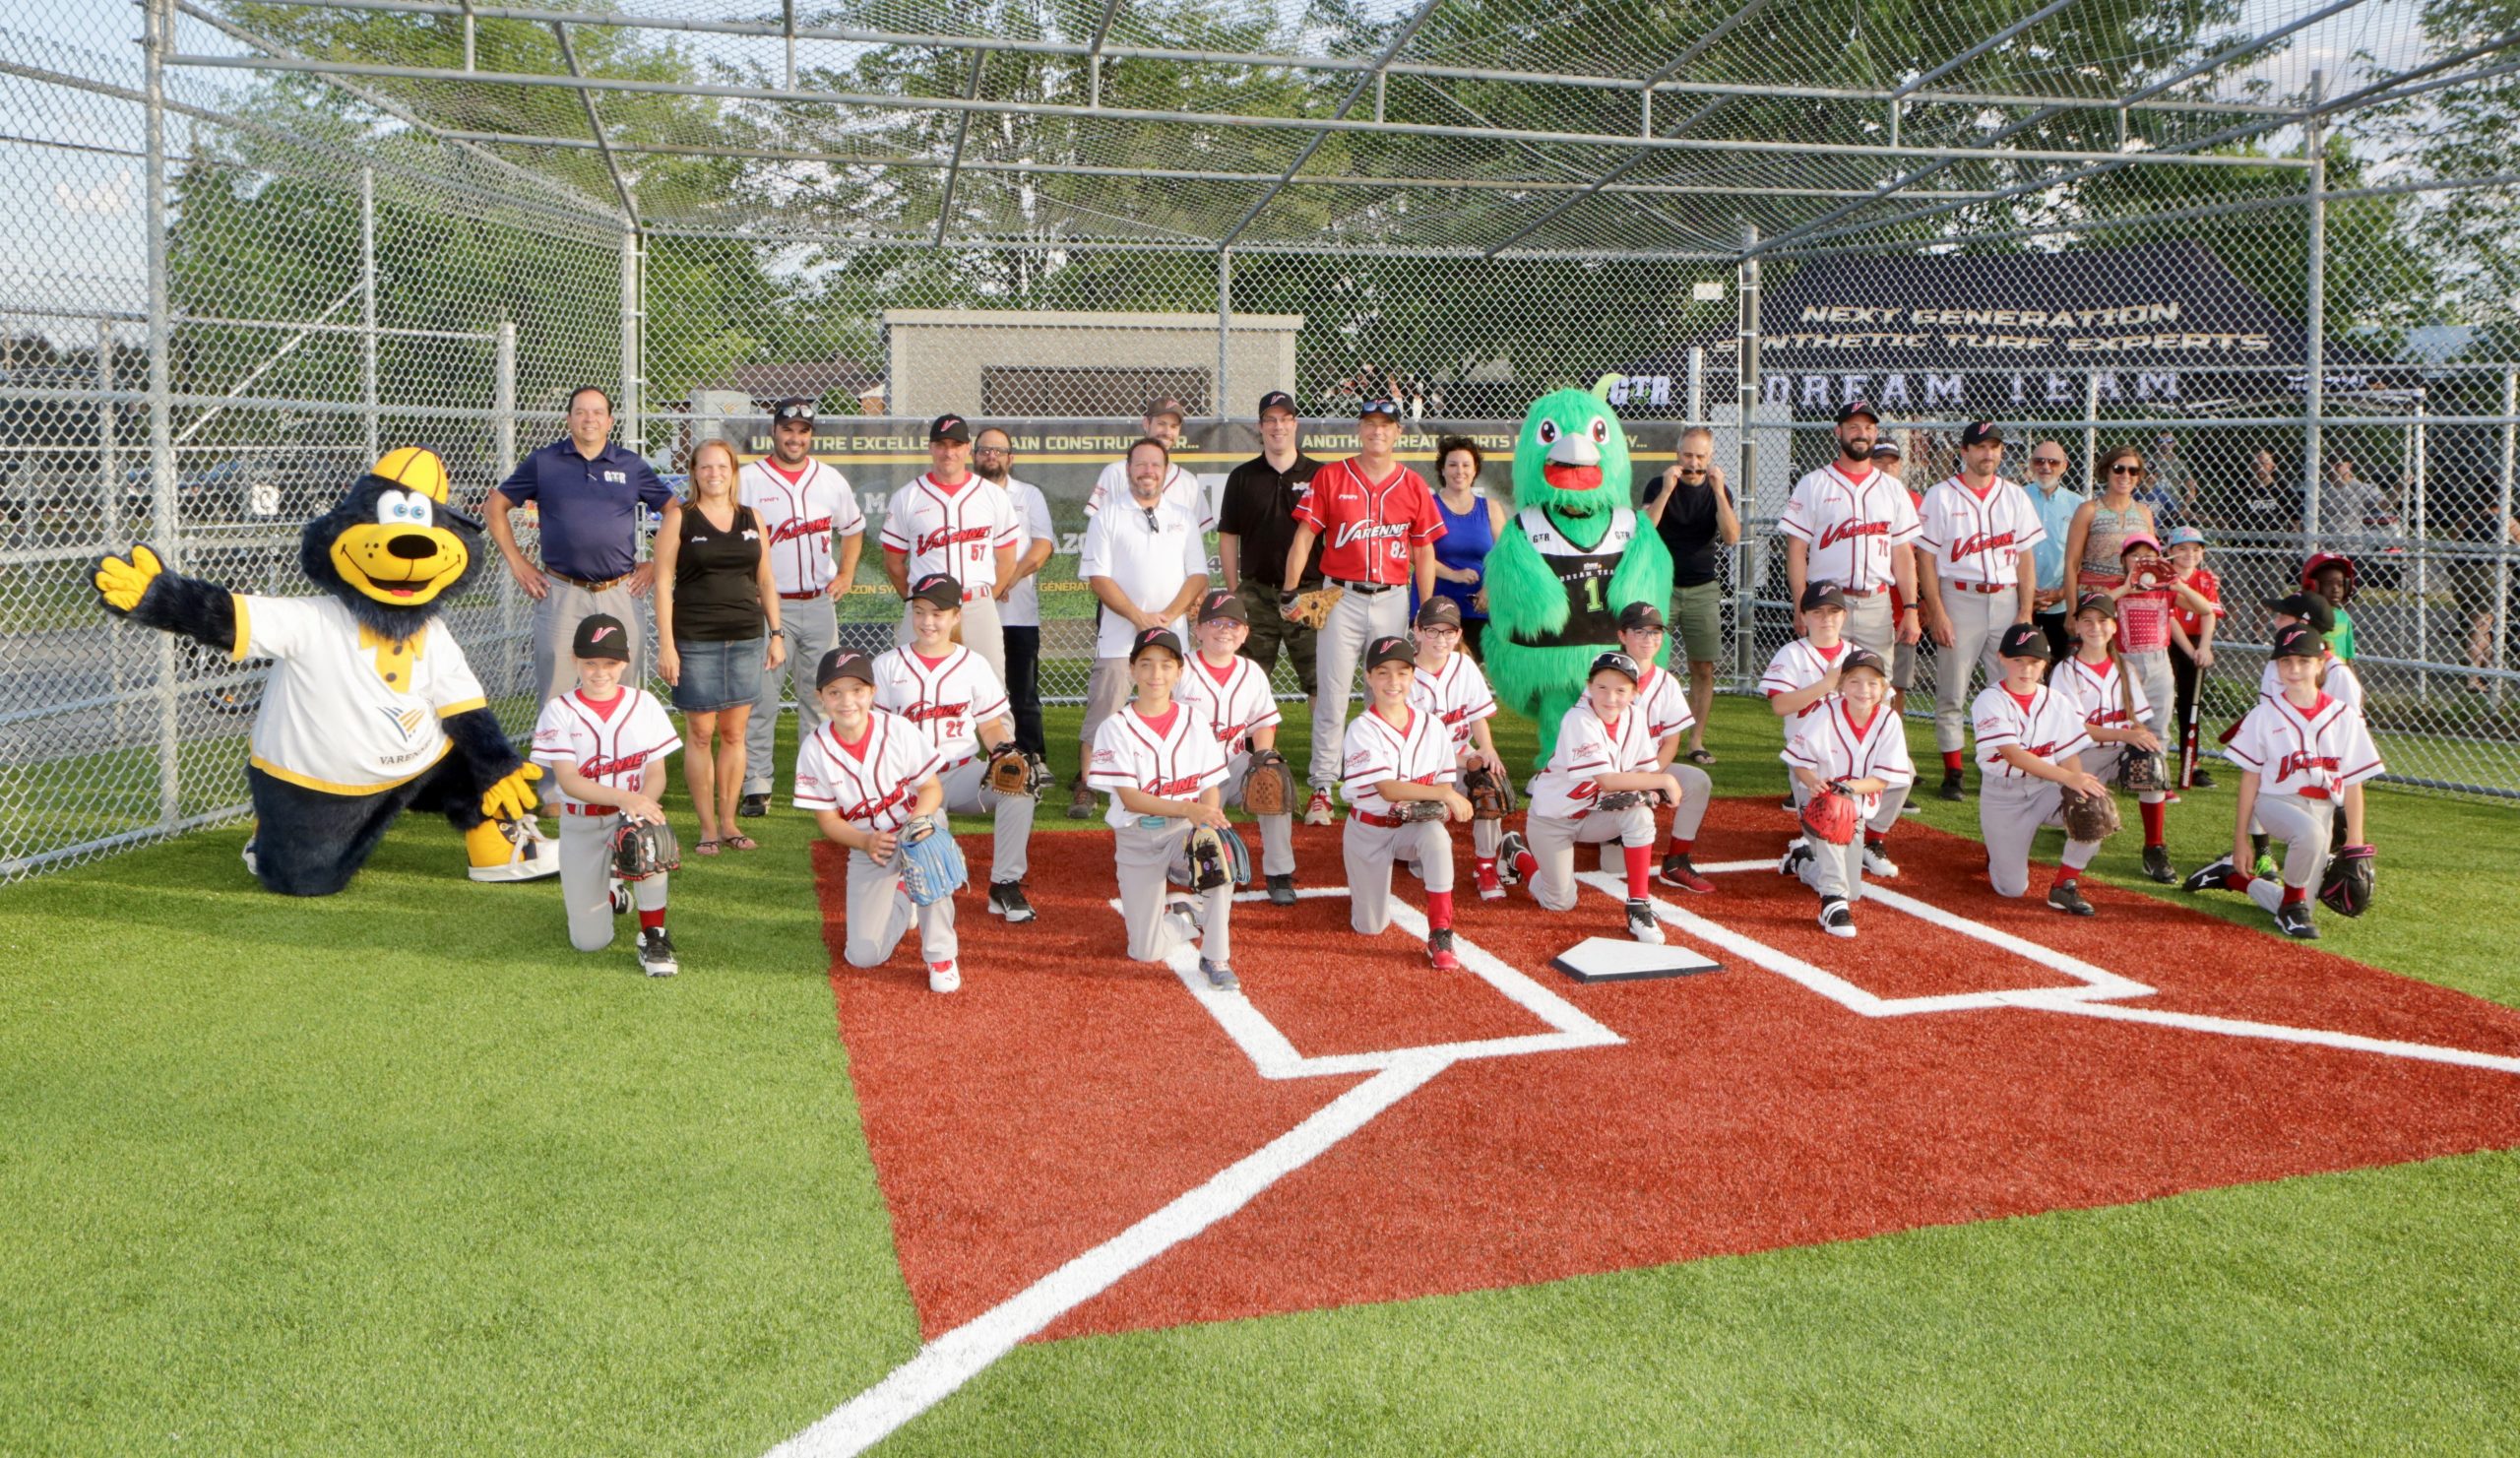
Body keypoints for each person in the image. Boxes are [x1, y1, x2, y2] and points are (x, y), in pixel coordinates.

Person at [1283, 395, 1444, 825]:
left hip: (1393, 596)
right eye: (1370, 423)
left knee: (1388, 695)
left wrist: (1424, 607)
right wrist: (1290, 590)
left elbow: (1424, 550)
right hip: (1341, 596)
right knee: (1332, 695)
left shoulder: (1412, 485)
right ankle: (1321, 786)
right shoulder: (1333, 476)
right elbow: (1303, 538)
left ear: (1398, 433)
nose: (1377, 431)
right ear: (1359, 429)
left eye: (1386, 424)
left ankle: (1381, 783)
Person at [2185, 623, 2383, 940]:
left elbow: (2354, 782)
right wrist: (2241, 840)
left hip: (2323, 807)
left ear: (2320, 664)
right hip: (2276, 801)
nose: (2294, 669)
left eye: (2304, 661)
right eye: (2285, 662)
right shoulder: (2264, 715)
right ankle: (2291, 912)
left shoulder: (2343, 716)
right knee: (2310, 837)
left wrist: (2354, 842)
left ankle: (2232, 878)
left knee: (2301, 897)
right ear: (2276, 666)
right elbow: (2250, 781)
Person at [485, 385, 677, 701]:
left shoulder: (630, 465)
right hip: (562, 592)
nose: (590, 419)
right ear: (569, 419)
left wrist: (657, 565)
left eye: (598, 412)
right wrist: (518, 564)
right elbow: (495, 507)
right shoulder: (544, 462)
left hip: (621, 591)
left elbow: (674, 512)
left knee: (622, 693)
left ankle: (618, 752)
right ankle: (557, 752)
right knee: (555, 695)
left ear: (610, 421)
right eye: (581, 412)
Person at [871, 573, 1040, 923]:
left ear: (955, 617)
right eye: (920, 612)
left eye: (937, 613)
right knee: (931, 826)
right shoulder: (888, 665)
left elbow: (990, 724)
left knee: (1019, 788)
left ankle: (1004, 883)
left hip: (962, 773)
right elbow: (878, 733)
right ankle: (912, 884)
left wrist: (1003, 752)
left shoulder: (973, 664)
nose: (927, 621)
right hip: (910, 783)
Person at [791, 647, 960, 992]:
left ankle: (941, 956)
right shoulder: (814, 749)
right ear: (820, 697)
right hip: (869, 845)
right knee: (863, 955)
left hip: (915, 824)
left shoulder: (896, 729)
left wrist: (917, 823)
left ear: (872, 693)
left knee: (928, 854)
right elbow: (828, 821)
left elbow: (931, 788)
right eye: (835, 692)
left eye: (857, 690)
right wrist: (864, 842)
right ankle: (904, 894)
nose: (846, 701)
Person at [529, 613, 682, 976]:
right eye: (590, 663)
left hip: (628, 815)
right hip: (581, 822)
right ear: (574, 661)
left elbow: (655, 773)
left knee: (650, 835)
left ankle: (653, 934)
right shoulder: (559, 711)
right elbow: (568, 781)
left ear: (625, 661)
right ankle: (613, 892)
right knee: (589, 942)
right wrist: (626, 799)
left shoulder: (643, 704)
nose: (600, 672)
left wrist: (640, 807)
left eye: (610, 663)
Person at [1087, 627, 1237, 990]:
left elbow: (1209, 786)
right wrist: (1191, 811)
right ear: (1133, 670)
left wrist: (1205, 824)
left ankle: (1215, 955)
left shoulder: (1194, 721)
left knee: (1215, 856)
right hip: (1137, 837)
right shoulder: (1115, 727)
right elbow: (1131, 799)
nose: (1156, 675)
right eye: (1147, 664)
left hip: (1181, 835)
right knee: (1145, 950)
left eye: (1166, 666)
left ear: (1179, 672)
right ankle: (1185, 920)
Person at [653, 438, 782, 855]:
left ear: (733, 472)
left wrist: (775, 633)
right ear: (694, 473)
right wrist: (667, 646)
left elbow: (765, 580)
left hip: (745, 636)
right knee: (700, 732)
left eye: (721, 467)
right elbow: (661, 583)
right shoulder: (680, 519)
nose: (714, 474)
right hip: (694, 638)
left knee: (734, 733)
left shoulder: (752, 517)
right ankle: (707, 826)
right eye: (705, 467)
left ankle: (729, 822)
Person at [735, 397, 862, 818]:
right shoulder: (748, 479)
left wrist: (845, 574)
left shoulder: (829, 480)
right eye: (788, 429)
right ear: (774, 431)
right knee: (763, 698)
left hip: (818, 601)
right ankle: (757, 782)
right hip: (771, 606)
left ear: (811, 436)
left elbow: (854, 529)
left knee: (822, 697)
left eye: (803, 431)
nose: (794, 437)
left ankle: (818, 780)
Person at [1071, 438, 1210, 818]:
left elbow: (1198, 574)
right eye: (1140, 464)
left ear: (1166, 471)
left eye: (1155, 465)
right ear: (1128, 469)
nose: (1148, 471)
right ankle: (1088, 785)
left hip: (1172, 636)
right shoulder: (1108, 515)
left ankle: (1175, 784)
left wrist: (1167, 615)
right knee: (1105, 710)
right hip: (1119, 635)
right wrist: (1137, 616)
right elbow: (1098, 576)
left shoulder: (1182, 516)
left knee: (1178, 713)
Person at [1503, 650, 1680, 945]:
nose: (1611, 698)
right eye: (1602, 687)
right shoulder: (1578, 718)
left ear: (1635, 693)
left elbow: (1642, 770)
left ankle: (1639, 906)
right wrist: (1663, 780)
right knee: (1558, 901)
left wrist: (1649, 791)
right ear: (1589, 686)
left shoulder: (1635, 717)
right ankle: (1515, 852)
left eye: (1621, 690)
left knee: (1640, 814)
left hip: (1593, 814)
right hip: (1553, 821)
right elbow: (1608, 780)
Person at [1914, 421, 2045, 802]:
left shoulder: (2015, 495)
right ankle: (1953, 771)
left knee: (2007, 688)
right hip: (1960, 596)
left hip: (2005, 599)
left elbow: (2025, 559)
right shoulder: (1940, 495)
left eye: (1994, 447)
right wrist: (1936, 611)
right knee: (1952, 690)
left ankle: (2002, 765)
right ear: (1965, 451)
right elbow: (1926, 558)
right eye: (1980, 447)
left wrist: (2025, 610)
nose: (1988, 454)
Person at [1340, 633, 1473, 969]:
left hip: (1412, 829)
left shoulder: (1432, 726)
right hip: (1368, 831)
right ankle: (1362, 894)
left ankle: (1441, 931)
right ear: (1368, 677)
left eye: (1402, 672)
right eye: (1383, 672)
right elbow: (1387, 789)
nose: (1393, 681)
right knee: (1370, 927)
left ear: (1413, 677)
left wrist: (1441, 800)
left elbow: (1444, 779)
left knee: (1437, 837)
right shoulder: (1362, 728)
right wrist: (1443, 795)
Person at [1969, 622, 2111, 916]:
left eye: (2034, 662)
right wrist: (2068, 777)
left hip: (2042, 790)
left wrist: (2077, 783)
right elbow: (2013, 755)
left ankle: (2064, 885)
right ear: (2001, 658)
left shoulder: (2056, 701)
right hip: (2002, 796)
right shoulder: (1989, 700)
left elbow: (2068, 752)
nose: (2026, 668)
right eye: (2017, 660)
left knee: (2094, 809)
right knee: (2011, 889)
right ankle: (1998, 851)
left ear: (2045, 664)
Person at [1777, 647, 1913, 937]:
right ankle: (1832, 905)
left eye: (1872, 682)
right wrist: (1813, 781)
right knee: (1833, 808)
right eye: (1854, 681)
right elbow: (1799, 762)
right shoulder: (1825, 712)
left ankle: (1802, 861)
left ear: (1884, 688)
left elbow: (1882, 780)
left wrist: (1846, 789)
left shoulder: (1889, 720)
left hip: (1857, 812)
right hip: (1820, 807)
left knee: (1853, 889)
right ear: (1841, 686)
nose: (1863, 689)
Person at [1175, 589, 1298, 906]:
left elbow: (1263, 723)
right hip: (1188, 772)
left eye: (1232, 624)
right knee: (1179, 867)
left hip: (1233, 763)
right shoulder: (1180, 670)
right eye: (1214, 622)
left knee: (1274, 783)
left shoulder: (1251, 672)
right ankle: (1178, 859)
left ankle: (1279, 872)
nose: (1223, 631)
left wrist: (1262, 756)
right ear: (1198, 629)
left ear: (1244, 633)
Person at [879, 412, 1019, 678]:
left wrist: (986, 597)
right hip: (927, 608)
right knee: (911, 684)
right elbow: (893, 563)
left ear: (967, 449)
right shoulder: (907, 497)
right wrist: (918, 601)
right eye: (941, 444)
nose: (948, 452)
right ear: (931, 447)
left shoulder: (992, 496)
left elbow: (1007, 560)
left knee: (991, 690)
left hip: (976, 602)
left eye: (955, 445)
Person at [1779, 400, 1921, 662]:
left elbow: (1902, 555)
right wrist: (1800, 602)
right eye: (1853, 427)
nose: (1862, 434)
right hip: (1826, 601)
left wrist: (1911, 608)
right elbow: (1796, 550)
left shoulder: (1892, 489)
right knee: (1824, 682)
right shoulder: (1814, 483)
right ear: (1838, 431)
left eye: (1868, 427)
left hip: (1877, 603)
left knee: (1876, 685)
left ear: (1875, 434)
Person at [1215, 390, 1323, 721]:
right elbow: (1229, 536)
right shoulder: (1242, 477)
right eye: (1270, 420)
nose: (1278, 427)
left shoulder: (1321, 475)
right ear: (1260, 427)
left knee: (1319, 681)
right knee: (1246, 678)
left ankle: (1326, 759)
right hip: (1257, 593)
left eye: (1284, 419)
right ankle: (1246, 756)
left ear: (1295, 424)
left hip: (1308, 593)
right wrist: (1235, 590)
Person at [2054, 593, 2176, 884]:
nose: (2095, 627)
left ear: (2114, 627)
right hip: (2080, 757)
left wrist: (2141, 735)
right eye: (2088, 621)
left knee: (2152, 766)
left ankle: (2154, 848)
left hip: (2117, 751)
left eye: (2102, 621)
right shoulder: (2066, 671)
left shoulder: (2124, 667)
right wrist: (2127, 733)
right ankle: (2046, 827)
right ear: (2077, 627)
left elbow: (2135, 718)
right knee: (2089, 819)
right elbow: (2076, 728)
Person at [1641, 424, 1739, 764]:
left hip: (1703, 587)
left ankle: (1695, 741)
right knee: (1649, 664)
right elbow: (1645, 530)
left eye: (1700, 456)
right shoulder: (1659, 483)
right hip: (1661, 587)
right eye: (1688, 455)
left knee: (1703, 667)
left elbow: (1731, 537)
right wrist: (1667, 491)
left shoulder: (1718, 488)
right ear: (1677, 454)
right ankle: (1648, 738)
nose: (1693, 463)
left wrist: (1719, 491)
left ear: (1710, 457)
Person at [1404, 597, 1510, 900]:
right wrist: (1470, 760)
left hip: (1461, 758)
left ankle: (1486, 864)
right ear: (1418, 631)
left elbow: (1477, 715)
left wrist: (1487, 750)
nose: (1441, 639)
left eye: (1448, 632)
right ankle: (1413, 843)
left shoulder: (1464, 665)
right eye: (1433, 631)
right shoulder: (1405, 675)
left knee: (1490, 784)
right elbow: (1417, 749)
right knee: (1423, 850)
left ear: (1459, 635)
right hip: (1419, 769)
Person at [1608, 602, 1717, 891]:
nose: (1649, 639)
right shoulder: (1606, 676)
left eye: (1655, 633)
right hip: (1610, 778)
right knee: (1612, 865)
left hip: (1649, 771)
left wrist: (1654, 777)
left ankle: (1676, 861)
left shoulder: (1666, 683)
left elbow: (1671, 739)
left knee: (1698, 781)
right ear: (1622, 636)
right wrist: (1637, 784)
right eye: (1640, 632)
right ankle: (1605, 832)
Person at [976, 426, 1056, 758]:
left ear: (1011, 458)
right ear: (974, 455)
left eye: (998, 450)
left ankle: (1033, 759)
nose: (991, 455)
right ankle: (967, 761)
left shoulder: (1029, 495)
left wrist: (1007, 580)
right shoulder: (963, 496)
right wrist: (988, 589)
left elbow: (1043, 545)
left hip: (1018, 613)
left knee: (1023, 693)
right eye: (984, 449)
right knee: (969, 691)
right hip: (973, 612)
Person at [1422, 436, 1508, 660]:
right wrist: (1453, 574)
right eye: (1452, 465)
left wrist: (1489, 589)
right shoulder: (1428, 506)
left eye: (1466, 465)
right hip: (1438, 605)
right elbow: (1418, 555)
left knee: (1470, 678)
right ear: (1442, 470)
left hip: (1478, 608)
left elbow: (1505, 556)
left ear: (1475, 470)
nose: (1459, 471)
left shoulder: (1491, 508)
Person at [1087, 397, 1212, 528]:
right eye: (1161, 424)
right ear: (1146, 424)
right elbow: (1097, 526)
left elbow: (1198, 537)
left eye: (1174, 426)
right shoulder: (1115, 473)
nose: (1167, 432)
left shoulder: (1189, 483)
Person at [2161, 526, 2223, 787]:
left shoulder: (2206, 579)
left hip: (2196, 642)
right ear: (2170, 552)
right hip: (2168, 642)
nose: (2189, 554)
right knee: (2162, 701)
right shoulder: (2163, 577)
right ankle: (2155, 758)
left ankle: (2191, 763)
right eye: (2182, 549)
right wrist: (2190, 651)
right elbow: (2171, 618)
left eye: (2195, 550)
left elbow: (2209, 613)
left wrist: (2204, 648)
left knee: (2191, 704)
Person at [2062, 443, 2159, 609]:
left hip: (2133, 599)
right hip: (2094, 598)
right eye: (2118, 469)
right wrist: (2072, 611)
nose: (2125, 475)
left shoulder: (2144, 513)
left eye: (2133, 470)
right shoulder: (2089, 510)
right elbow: (2071, 564)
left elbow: (2152, 561)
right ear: (2107, 470)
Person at [2022, 439, 2085, 664]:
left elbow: (2083, 559)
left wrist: (2062, 592)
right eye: (2039, 461)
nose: (2045, 467)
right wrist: (2026, 592)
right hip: (2020, 602)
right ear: (2030, 464)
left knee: (2060, 668)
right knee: (2022, 664)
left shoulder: (2078, 505)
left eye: (2053, 462)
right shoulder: (2016, 498)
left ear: (2064, 466)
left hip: (2060, 604)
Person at [2301, 551, 2358, 660]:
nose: (2335, 589)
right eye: (2328, 583)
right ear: (2314, 586)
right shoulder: (2307, 617)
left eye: (2340, 584)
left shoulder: (2344, 618)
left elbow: (2348, 658)